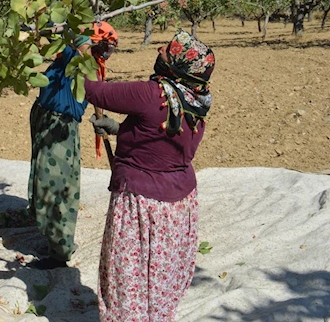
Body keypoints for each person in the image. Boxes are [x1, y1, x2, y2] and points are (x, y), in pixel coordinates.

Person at [86, 30, 215, 321]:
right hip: (178, 209)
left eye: (167, 51)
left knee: (128, 284)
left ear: (177, 66)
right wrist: (122, 130)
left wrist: (77, 52)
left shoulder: (152, 94)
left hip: (142, 206)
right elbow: (166, 139)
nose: (159, 50)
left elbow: (92, 90)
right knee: (158, 284)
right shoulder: (196, 98)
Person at [27, 22, 119, 269]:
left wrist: (101, 120)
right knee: (49, 181)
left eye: (111, 46)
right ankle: (55, 240)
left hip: (59, 128)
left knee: (56, 184)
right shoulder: (72, 54)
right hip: (47, 121)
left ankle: (60, 252)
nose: (108, 51)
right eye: (106, 44)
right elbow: (67, 34)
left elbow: (97, 94)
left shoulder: (89, 65)